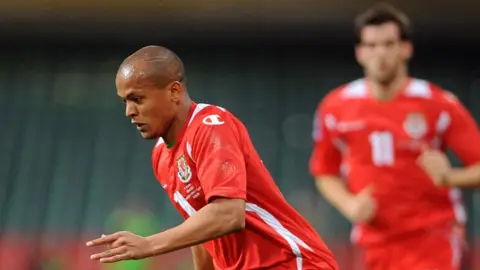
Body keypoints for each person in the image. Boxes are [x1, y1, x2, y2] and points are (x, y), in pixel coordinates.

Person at [86, 45, 338, 270]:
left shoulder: (210, 126)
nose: (129, 111)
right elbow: (201, 230)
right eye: (125, 101)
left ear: (174, 91)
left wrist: (149, 244)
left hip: (290, 262)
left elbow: (229, 214)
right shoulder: (161, 156)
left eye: (137, 99)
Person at [309, 3, 480, 270]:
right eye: (372, 45)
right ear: (360, 52)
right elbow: (324, 172)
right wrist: (350, 205)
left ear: (406, 48)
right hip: (373, 241)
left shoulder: (438, 104)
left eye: (389, 44)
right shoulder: (335, 107)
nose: (381, 54)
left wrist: (450, 178)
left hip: (433, 237)